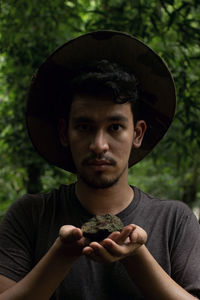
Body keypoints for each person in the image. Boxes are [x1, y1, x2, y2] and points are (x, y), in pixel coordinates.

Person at [0, 31, 199, 300]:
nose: (99, 145)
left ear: (138, 134)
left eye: (115, 127)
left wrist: (137, 256)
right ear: (64, 133)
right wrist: (61, 254)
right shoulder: (31, 216)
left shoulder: (174, 220)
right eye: (84, 127)